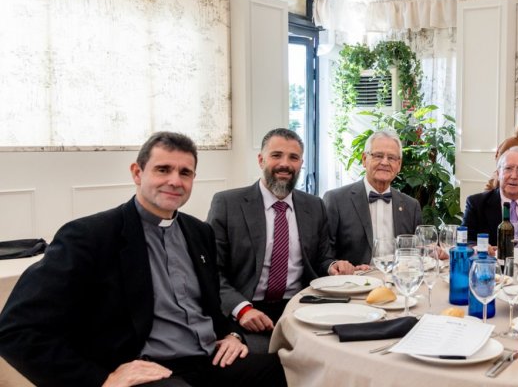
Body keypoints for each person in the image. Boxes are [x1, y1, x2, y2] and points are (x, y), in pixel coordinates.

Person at [0, 132, 286, 387]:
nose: (175, 181)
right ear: (137, 173)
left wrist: (232, 335)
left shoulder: (200, 232)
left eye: (185, 172)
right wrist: (100, 380)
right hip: (148, 368)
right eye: (163, 169)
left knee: (288, 372)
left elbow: (210, 306)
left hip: (209, 360)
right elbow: (14, 331)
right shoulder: (89, 236)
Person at [207, 128, 361, 353]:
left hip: (302, 305)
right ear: (261, 160)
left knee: (344, 347)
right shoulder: (228, 204)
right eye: (276, 155)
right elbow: (212, 271)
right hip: (247, 309)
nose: (285, 164)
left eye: (293, 158)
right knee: (266, 360)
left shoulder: (314, 206)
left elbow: (322, 258)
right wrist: (242, 309)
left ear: (301, 164)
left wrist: (333, 266)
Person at [323, 130, 423, 266]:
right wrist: (337, 266)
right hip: (354, 278)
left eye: (391, 158)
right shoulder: (336, 200)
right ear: (364, 159)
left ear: (399, 165)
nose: (385, 162)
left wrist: (433, 251)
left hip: (398, 277)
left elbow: (419, 252)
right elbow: (323, 255)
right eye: (378, 156)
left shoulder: (411, 206)